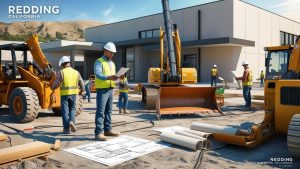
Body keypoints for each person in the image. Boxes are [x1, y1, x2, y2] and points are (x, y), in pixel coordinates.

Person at [94, 42, 124, 141]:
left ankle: (108, 130)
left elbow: (114, 77)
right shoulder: (99, 61)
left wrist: (120, 78)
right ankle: (98, 132)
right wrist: (109, 77)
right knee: (100, 112)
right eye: (111, 53)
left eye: (113, 53)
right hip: (102, 90)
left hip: (110, 89)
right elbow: (98, 74)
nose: (112, 55)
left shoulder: (112, 63)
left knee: (109, 111)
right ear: (105, 51)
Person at [51, 56, 85, 134]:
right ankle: (72, 121)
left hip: (64, 95)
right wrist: (83, 91)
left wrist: (52, 87)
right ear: (69, 63)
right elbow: (82, 82)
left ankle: (66, 129)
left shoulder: (61, 72)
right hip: (73, 94)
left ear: (63, 64)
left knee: (65, 111)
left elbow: (56, 83)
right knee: (72, 109)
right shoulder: (76, 72)